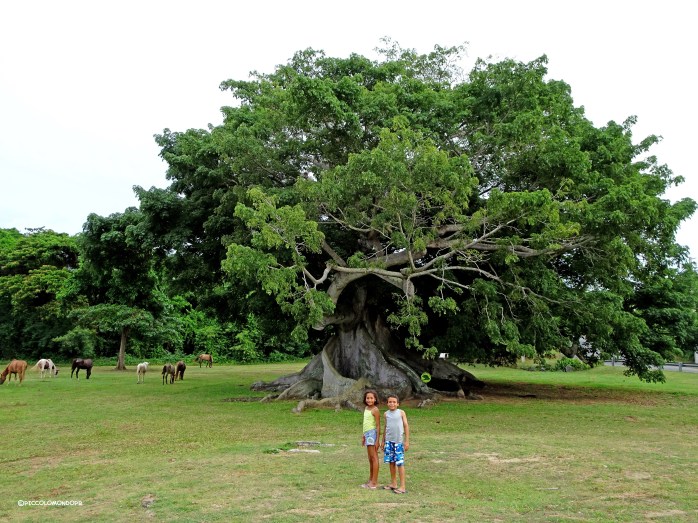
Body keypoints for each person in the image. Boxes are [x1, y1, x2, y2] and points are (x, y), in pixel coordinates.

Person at [380, 394, 410, 494]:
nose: (392, 404)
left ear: (397, 403)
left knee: (400, 463)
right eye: (390, 402)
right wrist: (383, 441)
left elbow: (406, 426)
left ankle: (402, 486)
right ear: (387, 403)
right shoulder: (386, 414)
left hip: (399, 442)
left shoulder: (401, 413)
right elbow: (386, 427)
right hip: (389, 442)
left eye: (394, 402)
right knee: (391, 462)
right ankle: (394, 483)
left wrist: (407, 441)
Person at [360, 389, 381, 489]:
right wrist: (363, 436)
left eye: (371, 398)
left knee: (374, 457)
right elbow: (365, 423)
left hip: (372, 434)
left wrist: (377, 440)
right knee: (370, 458)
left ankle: (374, 482)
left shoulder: (375, 410)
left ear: (375, 399)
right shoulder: (366, 408)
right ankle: (371, 479)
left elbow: (377, 425)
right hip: (367, 434)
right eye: (367, 398)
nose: (369, 400)